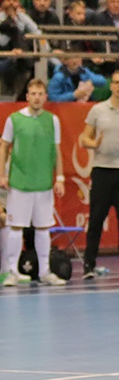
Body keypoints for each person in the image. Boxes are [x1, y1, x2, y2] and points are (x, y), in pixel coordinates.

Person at [0, 79, 66, 286]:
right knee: (16, 227)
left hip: (44, 184)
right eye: (33, 94)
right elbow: (3, 147)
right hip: (20, 184)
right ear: (27, 96)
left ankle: (45, 272)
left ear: (45, 97)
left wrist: (60, 178)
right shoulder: (14, 119)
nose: (37, 97)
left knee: (43, 228)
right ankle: (11, 271)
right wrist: (2, 174)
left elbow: (57, 151)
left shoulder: (53, 120)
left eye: (40, 94)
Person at [79, 70, 119, 279]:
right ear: (111, 86)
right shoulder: (97, 110)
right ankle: (89, 266)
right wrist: (93, 143)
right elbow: (84, 138)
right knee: (95, 220)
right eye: (116, 83)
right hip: (102, 171)